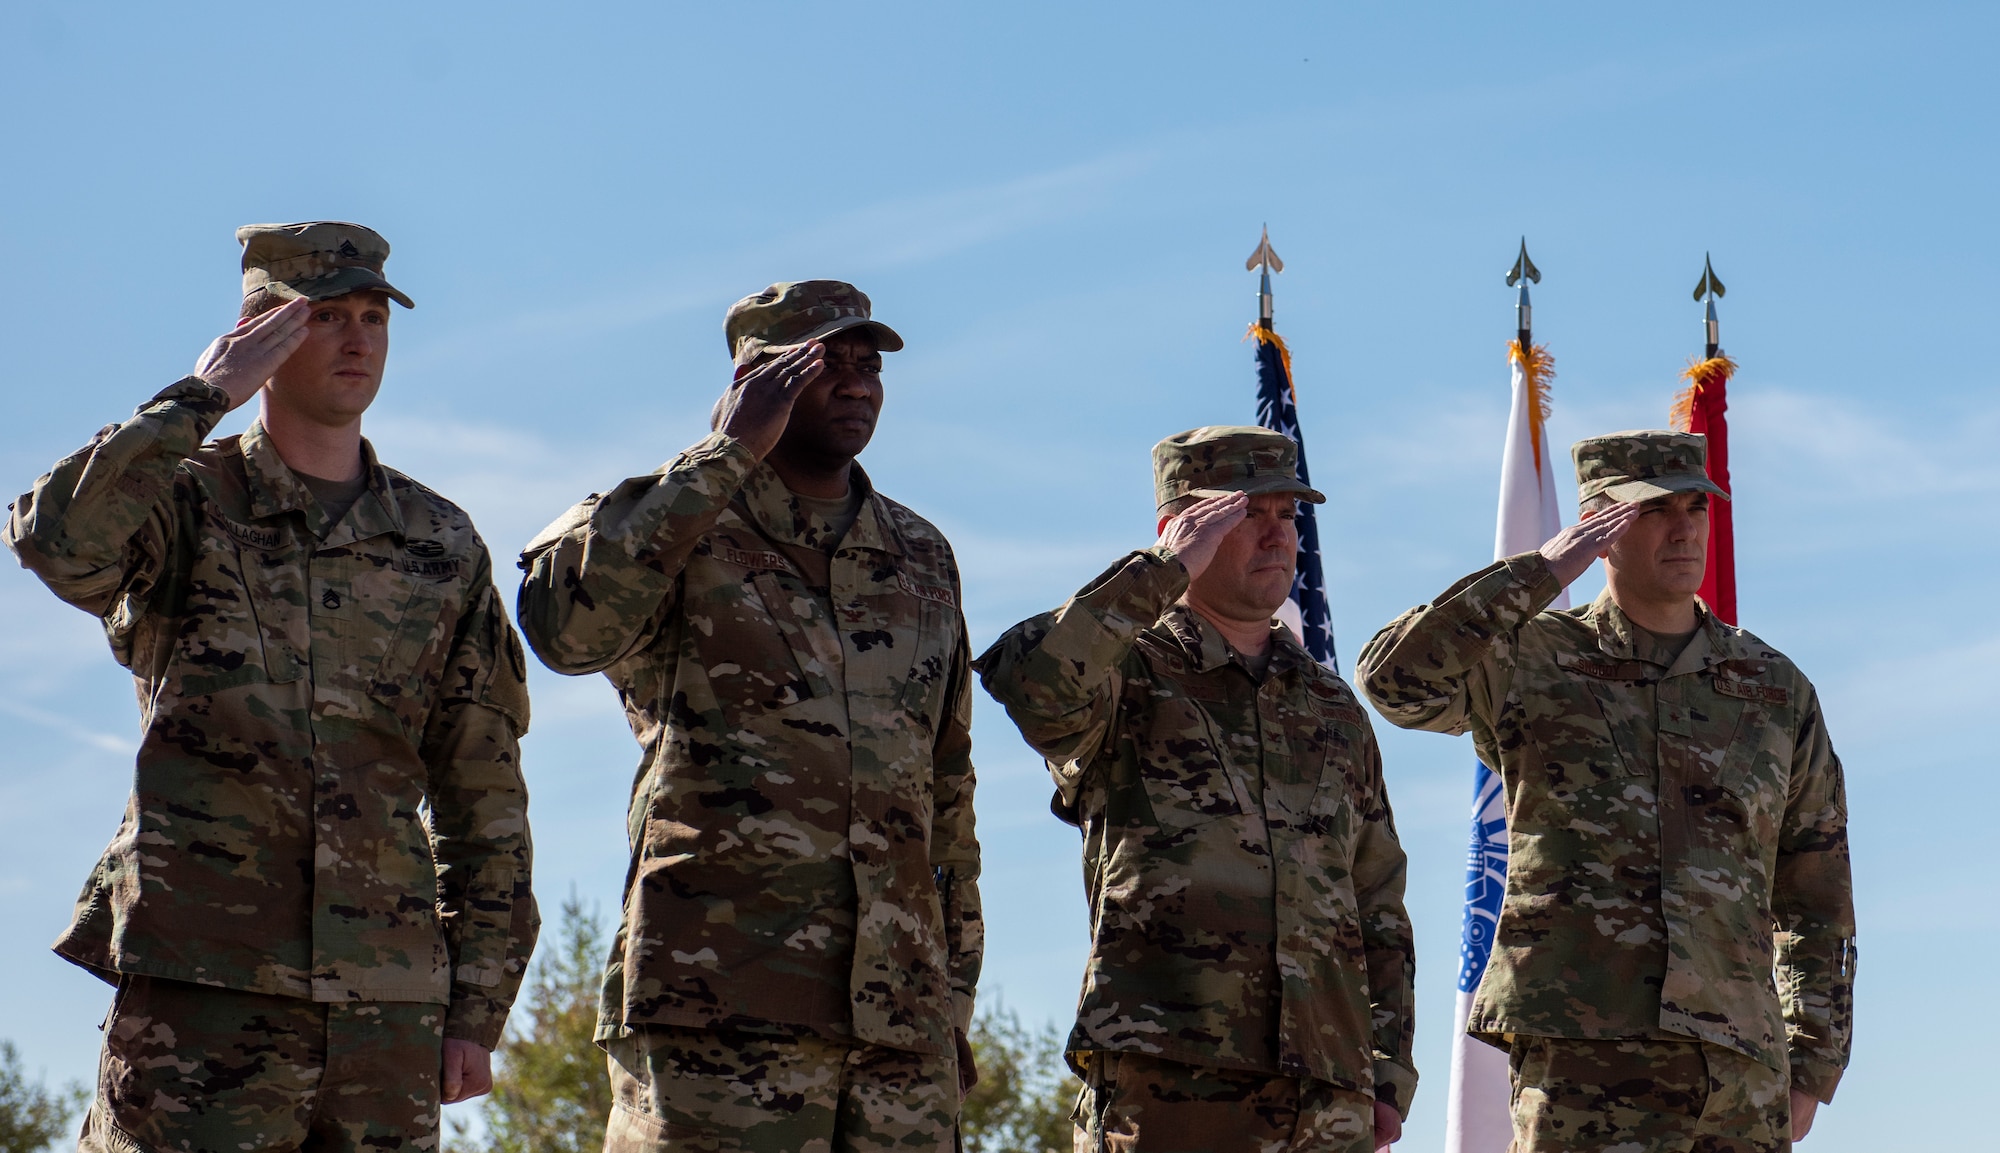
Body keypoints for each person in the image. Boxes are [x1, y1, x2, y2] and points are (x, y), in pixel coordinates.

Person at [5, 221, 538, 1152]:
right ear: (263, 334)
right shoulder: (181, 498)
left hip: (386, 1006)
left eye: (374, 316)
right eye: (328, 315)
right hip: (203, 987)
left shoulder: (439, 542)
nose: (360, 338)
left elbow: (482, 792)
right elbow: (56, 540)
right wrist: (199, 395)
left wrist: (476, 1003)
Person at [516, 280, 982, 1152]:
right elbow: (567, 630)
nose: (855, 383)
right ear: (754, 379)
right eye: (824, 362)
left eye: (867, 365)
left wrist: (952, 994)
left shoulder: (921, 554)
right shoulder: (671, 519)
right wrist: (725, 453)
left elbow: (946, 790)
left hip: (899, 1027)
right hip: (717, 1002)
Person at [1357, 430, 1854, 1153]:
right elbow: (1393, 680)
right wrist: (1540, 569)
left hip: (1737, 1069)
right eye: (1656, 510)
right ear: (1601, 526)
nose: (1685, 527)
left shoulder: (1773, 688)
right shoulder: (1535, 657)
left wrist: (1811, 1058)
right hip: (1582, 1059)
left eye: (1695, 506)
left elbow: (1817, 889)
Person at [977, 426, 1416, 1153]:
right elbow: (1032, 682)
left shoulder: (1333, 707)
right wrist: (1159, 569)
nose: (1277, 537)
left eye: (1288, 516)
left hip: (1327, 1088)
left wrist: (1388, 1071)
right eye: (1249, 514)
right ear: (1183, 528)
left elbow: (1377, 897)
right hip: (1173, 1078)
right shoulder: (1125, 673)